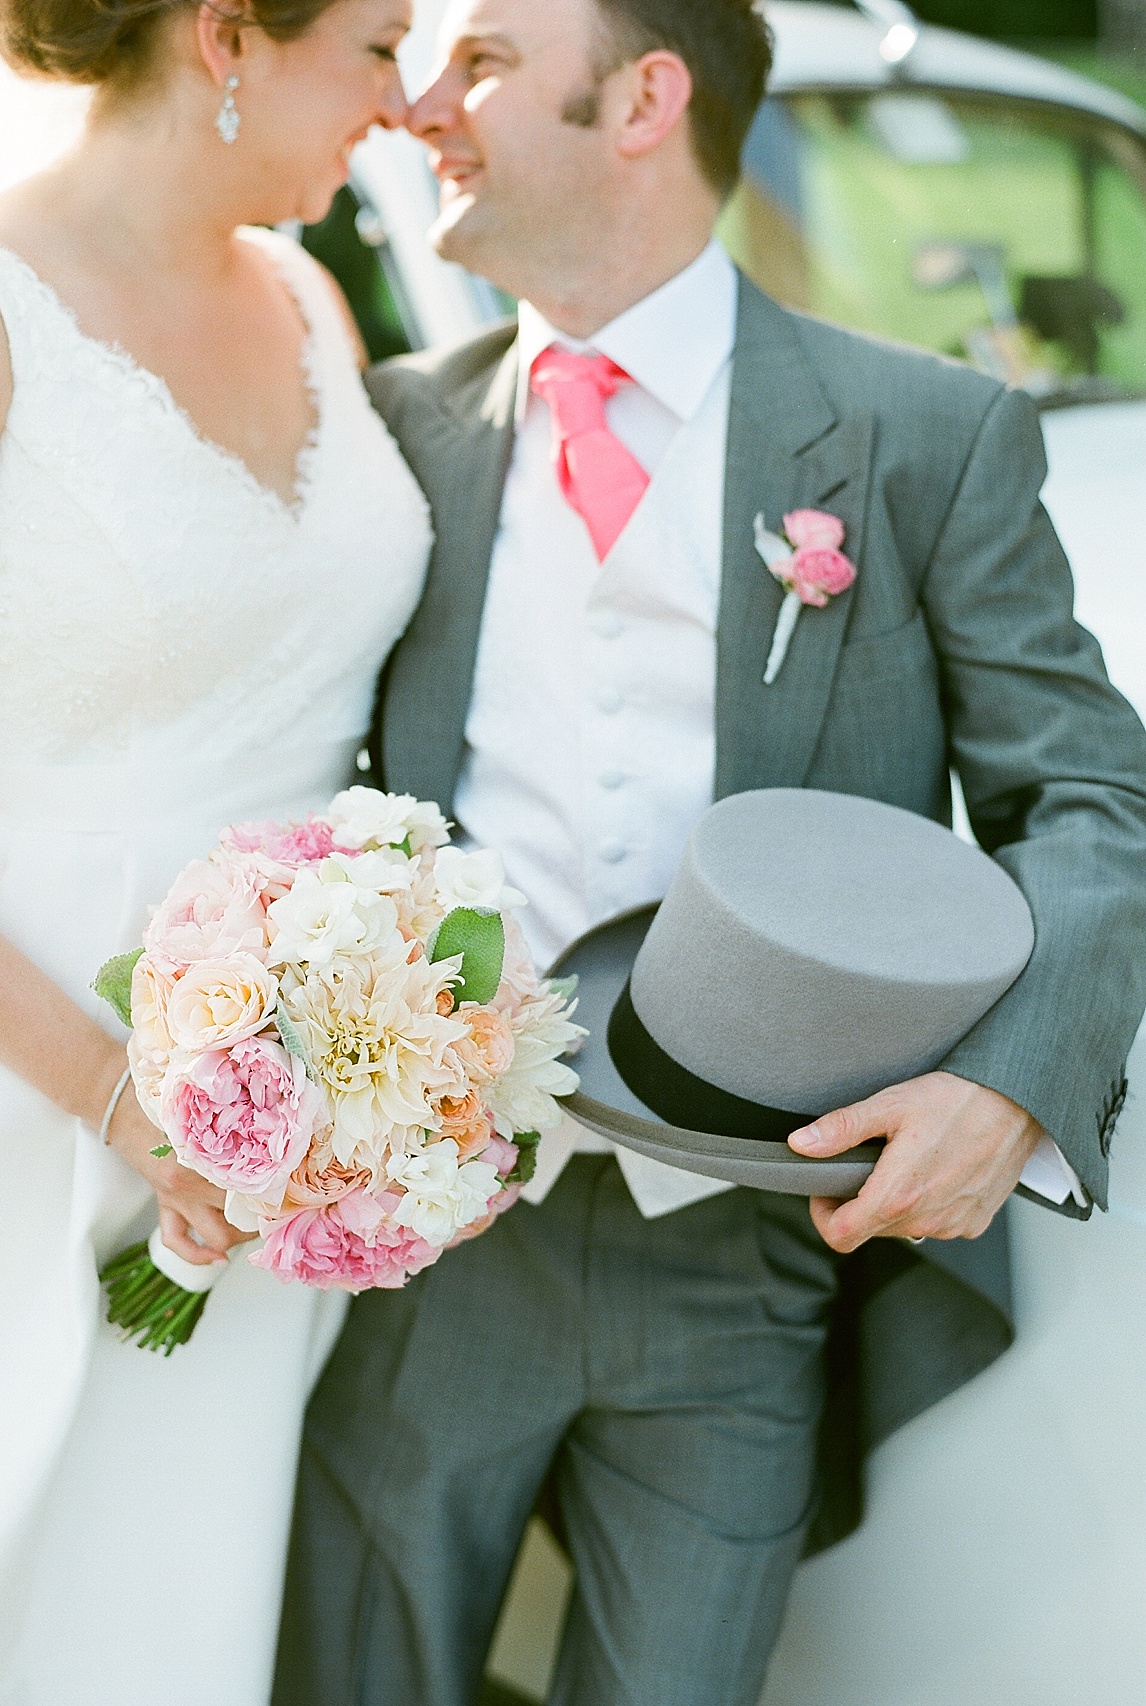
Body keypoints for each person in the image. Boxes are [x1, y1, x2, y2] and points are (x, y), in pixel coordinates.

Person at [269, 1, 1146, 1703]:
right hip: (444, 1238)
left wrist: (1013, 1084)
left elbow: (1092, 802)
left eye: (489, 64)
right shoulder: (395, 432)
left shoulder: (921, 434)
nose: (423, 107)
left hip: (751, 1247)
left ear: (642, 98)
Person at [0, 2, 431, 1702]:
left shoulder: (311, 296)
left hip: (288, 1127)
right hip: (9, 1085)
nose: (401, 99)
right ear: (227, 37)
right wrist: (119, 1093)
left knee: (172, 1602)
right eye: (375, 45)